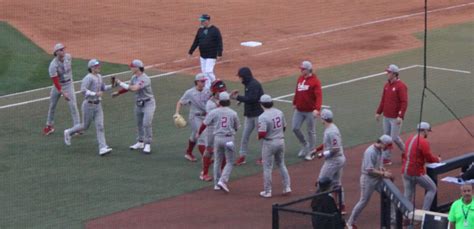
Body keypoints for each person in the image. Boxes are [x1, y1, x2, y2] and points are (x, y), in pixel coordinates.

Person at [63, 59, 112, 156]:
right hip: (88, 105)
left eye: (98, 65)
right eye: (96, 66)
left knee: (100, 126)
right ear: (91, 68)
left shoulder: (99, 77)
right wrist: (95, 93)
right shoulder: (88, 78)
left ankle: (102, 147)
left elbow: (103, 88)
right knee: (85, 126)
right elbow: (83, 90)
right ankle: (68, 132)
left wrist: (112, 86)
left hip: (98, 105)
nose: (98, 67)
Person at [347, 135, 395, 229]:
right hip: (368, 179)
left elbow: (378, 165)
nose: (388, 149)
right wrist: (383, 174)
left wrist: (383, 170)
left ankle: (393, 222)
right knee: (363, 201)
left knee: (390, 196)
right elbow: (369, 170)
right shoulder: (370, 152)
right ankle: (350, 223)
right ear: (382, 143)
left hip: (377, 178)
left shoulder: (380, 150)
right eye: (387, 146)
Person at [197, 92, 240, 193]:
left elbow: (204, 124)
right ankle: (223, 180)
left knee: (217, 160)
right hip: (229, 139)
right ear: (228, 101)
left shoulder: (214, 112)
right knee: (229, 161)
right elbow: (237, 127)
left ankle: (216, 184)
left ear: (219, 101)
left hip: (217, 139)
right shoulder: (233, 113)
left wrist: (199, 133)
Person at [112, 59, 156, 154]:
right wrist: (118, 93)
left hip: (148, 103)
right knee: (139, 123)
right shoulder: (134, 77)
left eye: (132, 66)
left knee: (146, 123)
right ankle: (140, 142)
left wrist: (119, 82)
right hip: (139, 103)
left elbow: (134, 88)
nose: (131, 68)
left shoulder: (145, 79)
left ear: (137, 68)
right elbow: (129, 87)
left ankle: (147, 143)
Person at [311, 109, 346, 214]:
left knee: (321, 182)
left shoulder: (331, 131)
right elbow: (328, 144)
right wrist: (317, 149)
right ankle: (341, 206)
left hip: (334, 160)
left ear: (323, 119)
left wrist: (322, 154)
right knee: (336, 184)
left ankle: (319, 204)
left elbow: (335, 148)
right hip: (337, 159)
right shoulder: (331, 128)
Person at [257, 94, 291, 198]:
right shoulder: (279, 112)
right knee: (281, 164)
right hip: (280, 141)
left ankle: (268, 191)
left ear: (262, 104)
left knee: (267, 167)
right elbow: (284, 127)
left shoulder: (262, 116)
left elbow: (262, 133)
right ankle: (287, 187)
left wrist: (258, 137)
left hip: (269, 143)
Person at [43, 43, 80, 135]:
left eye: (63, 49)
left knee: (73, 105)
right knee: (52, 105)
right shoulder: (53, 65)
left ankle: (77, 127)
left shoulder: (68, 57)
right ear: (56, 53)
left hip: (69, 84)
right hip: (58, 85)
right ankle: (49, 126)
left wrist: (67, 90)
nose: (63, 51)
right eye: (61, 50)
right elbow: (55, 81)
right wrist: (63, 92)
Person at [401, 122, 440, 210]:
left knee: (408, 195)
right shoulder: (423, 141)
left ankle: (403, 216)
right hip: (416, 172)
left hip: (405, 171)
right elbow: (429, 157)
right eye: (428, 131)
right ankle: (424, 213)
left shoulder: (409, 139)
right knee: (432, 189)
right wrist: (437, 160)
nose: (428, 133)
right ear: (425, 130)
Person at [375, 64, 408, 165]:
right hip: (386, 116)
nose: (387, 74)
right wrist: (378, 112)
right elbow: (383, 100)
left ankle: (407, 152)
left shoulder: (401, 86)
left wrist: (400, 115)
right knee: (386, 137)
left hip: (395, 118)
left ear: (394, 74)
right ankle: (386, 158)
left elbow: (404, 102)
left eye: (389, 72)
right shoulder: (386, 85)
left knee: (394, 138)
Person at [230, 67, 264, 165]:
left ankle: (264, 156)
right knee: (245, 136)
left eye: (240, 77)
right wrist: (240, 100)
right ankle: (242, 156)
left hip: (258, 115)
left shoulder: (254, 84)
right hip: (250, 114)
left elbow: (252, 99)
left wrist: (238, 97)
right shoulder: (248, 84)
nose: (239, 79)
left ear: (244, 77)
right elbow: (249, 97)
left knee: (261, 137)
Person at [174, 73, 211, 162]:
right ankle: (206, 158)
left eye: (204, 81)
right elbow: (180, 102)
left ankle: (188, 153)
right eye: (202, 81)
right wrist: (177, 113)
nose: (204, 83)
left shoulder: (207, 91)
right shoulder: (190, 92)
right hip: (195, 117)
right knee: (202, 136)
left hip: (205, 117)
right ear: (197, 82)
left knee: (194, 135)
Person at [292, 61, 322, 160]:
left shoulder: (315, 81)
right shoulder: (300, 78)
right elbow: (297, 91)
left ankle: (311, 150)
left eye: (303, 69)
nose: (301, 70)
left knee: (311, 131)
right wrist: (294, 102)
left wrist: (317, 109)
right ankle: (305, 145)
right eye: (301, 68)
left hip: (310, 111)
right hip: (299, 110)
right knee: (295, 128)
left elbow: (319, 96)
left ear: (308, 69)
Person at [200, 79, 227, 181]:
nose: (222, 92)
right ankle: (204, 173)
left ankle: (222, 174)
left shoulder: (222, 99)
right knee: (209, 151)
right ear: (215, 91)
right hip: (211, 129)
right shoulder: (210, 104)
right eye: (220, 91)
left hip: (221, 129)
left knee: (223, 151)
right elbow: (211, 118)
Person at [188, 14, 223, 89]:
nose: (201, 22)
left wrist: (219, 54)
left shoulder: (215, 30)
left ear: (208, 21)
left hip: (211, 55)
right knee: (204, 73)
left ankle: (216, 83)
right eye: (201, 21)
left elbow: (219, 42)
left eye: (203, 21)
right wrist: (191, 51)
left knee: (208, 71)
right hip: (203, 55)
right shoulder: (200, 30)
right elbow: (196, 41)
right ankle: (208, 87)